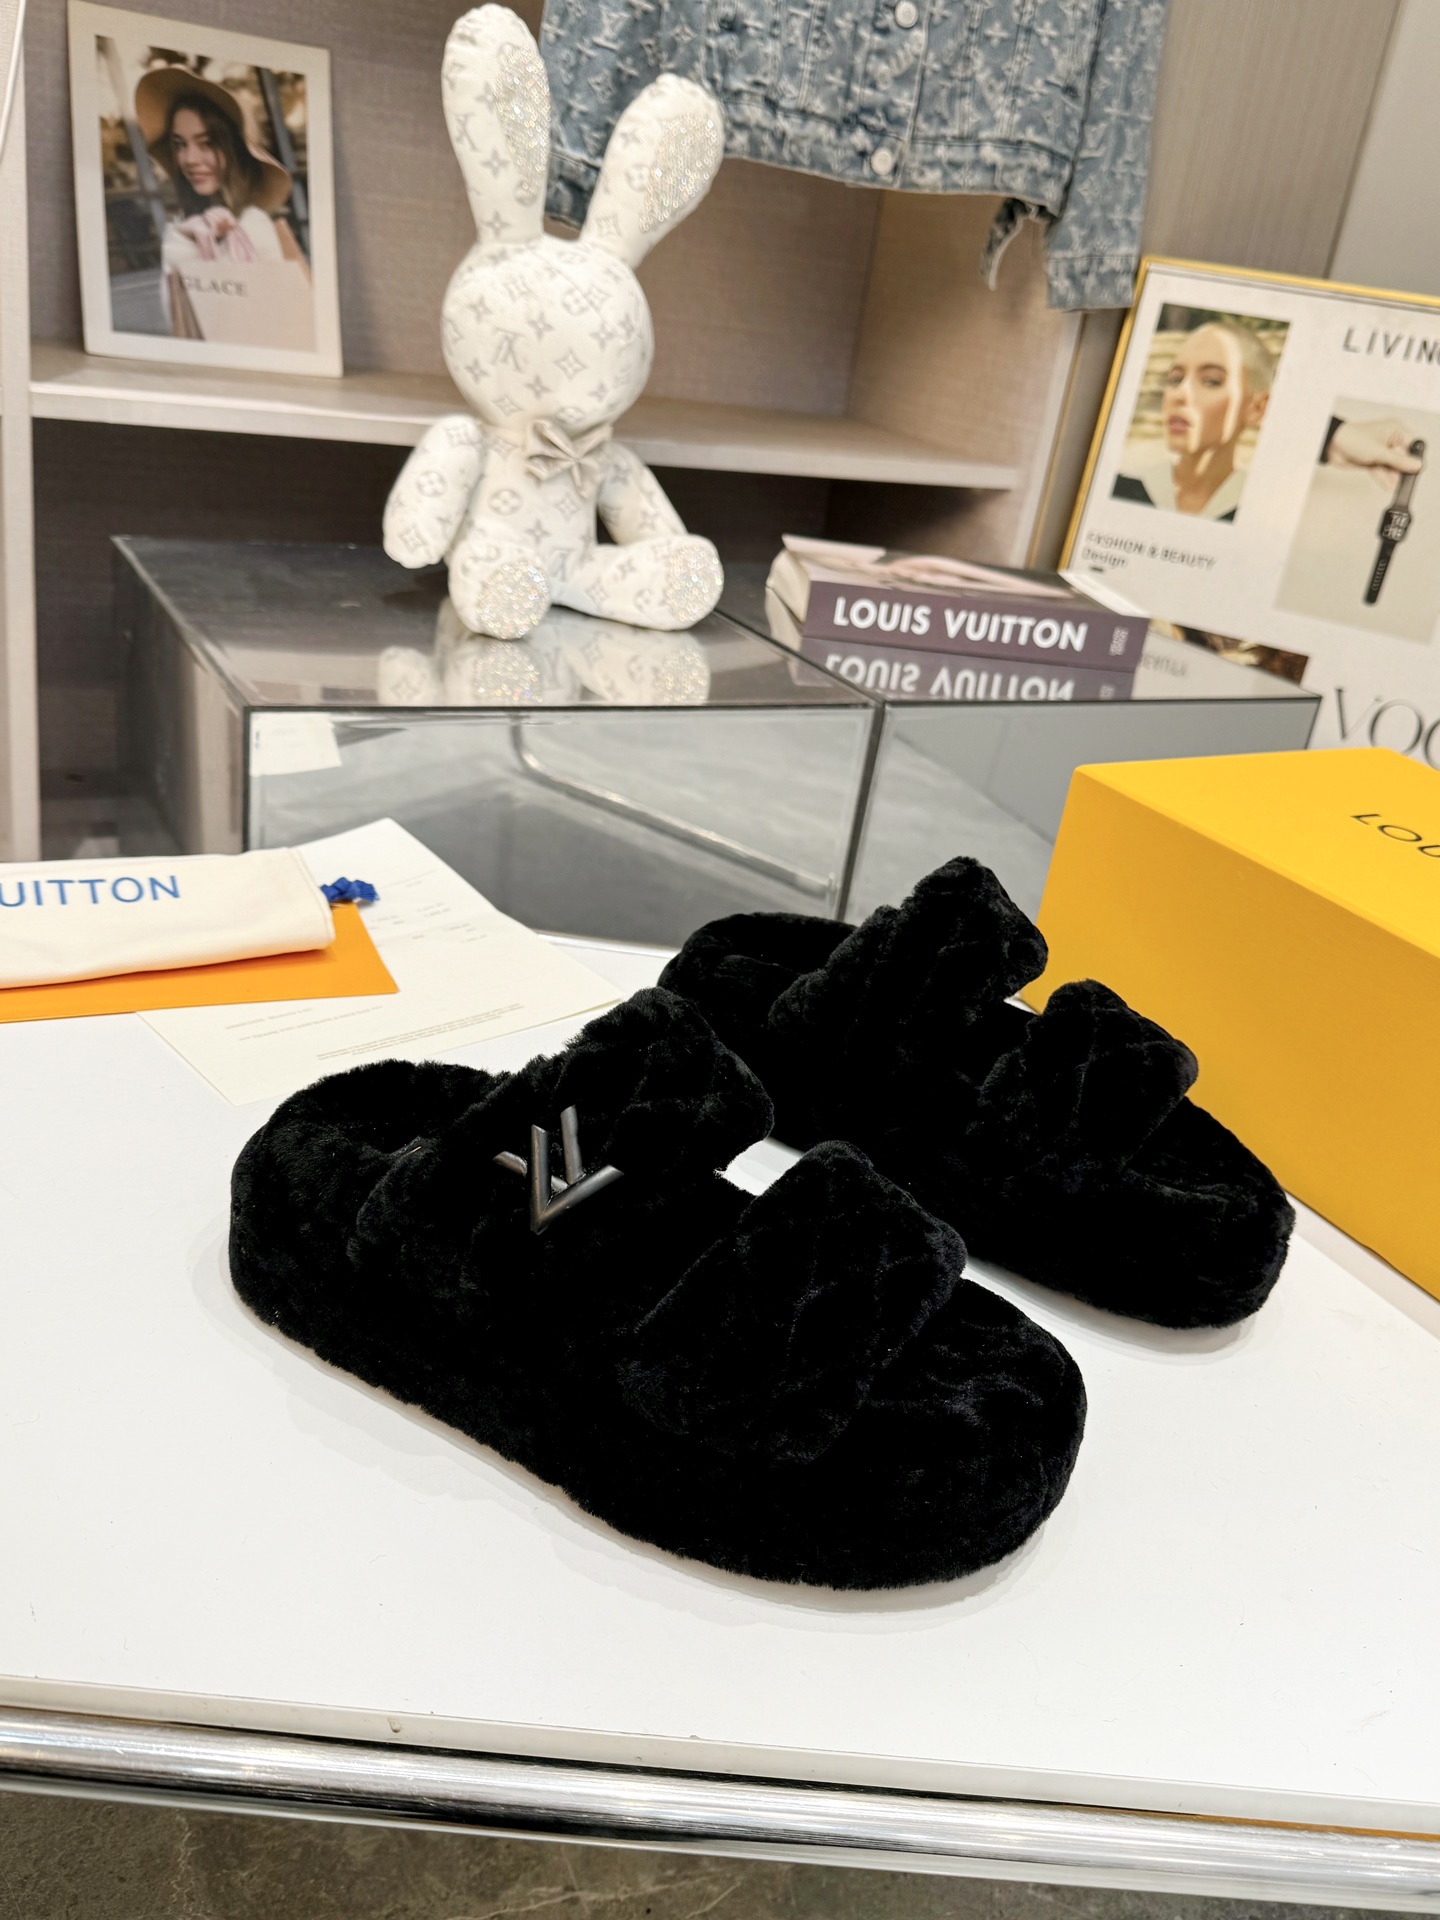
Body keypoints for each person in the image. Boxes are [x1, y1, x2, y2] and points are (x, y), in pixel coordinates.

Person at [133, 66, 302, 334]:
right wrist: (184, 238)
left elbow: (258, 325)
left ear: (234, 149)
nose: (190, 159)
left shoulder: (254, 225)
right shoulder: (185, 225)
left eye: (207, 143)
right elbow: (178, 321)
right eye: (180, 144)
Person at [1113, 318, 1278, 522]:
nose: (1179, 394)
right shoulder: (1121, 488)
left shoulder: (1261, 511)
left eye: (1211, 381)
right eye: (1175, 379)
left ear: (1257, 408)